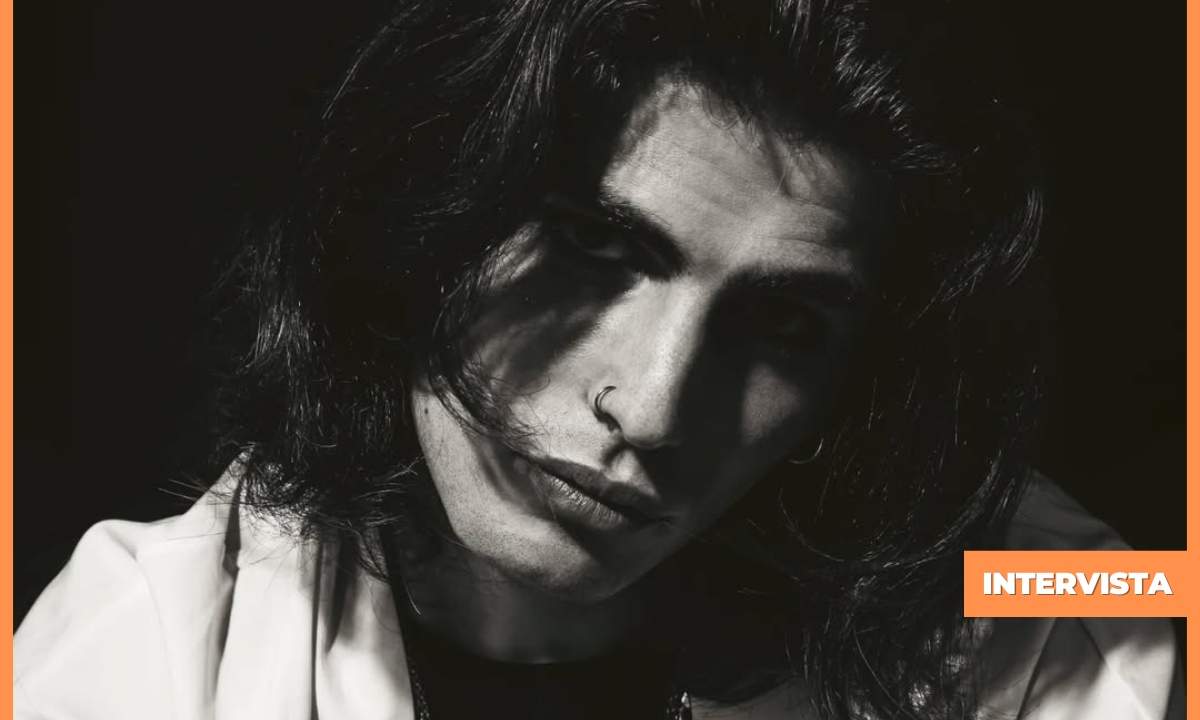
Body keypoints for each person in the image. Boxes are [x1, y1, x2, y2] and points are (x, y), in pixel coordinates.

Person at [15, 1, 1182, 718]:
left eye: (785, 327)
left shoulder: (1037, 604)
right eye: (593, 247)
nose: (658, 406)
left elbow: (1131, 597)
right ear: (426, 214)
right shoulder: (150, 645)